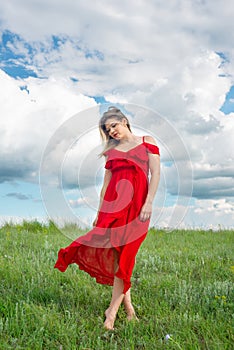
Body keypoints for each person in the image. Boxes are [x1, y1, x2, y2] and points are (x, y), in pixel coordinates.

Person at [54, 106, 160, 330]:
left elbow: (156, 173)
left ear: (124, 121)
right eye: (107, 129)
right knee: (118, 257)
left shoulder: (147, 141)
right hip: (113, 209)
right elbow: (105, 188)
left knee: (127, 254)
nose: (111, 131)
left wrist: (149, 202)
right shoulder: (111, 153)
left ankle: (111, 312)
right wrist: (99, 213)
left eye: (114, 125)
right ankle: (128, 308)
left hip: (138, 209)